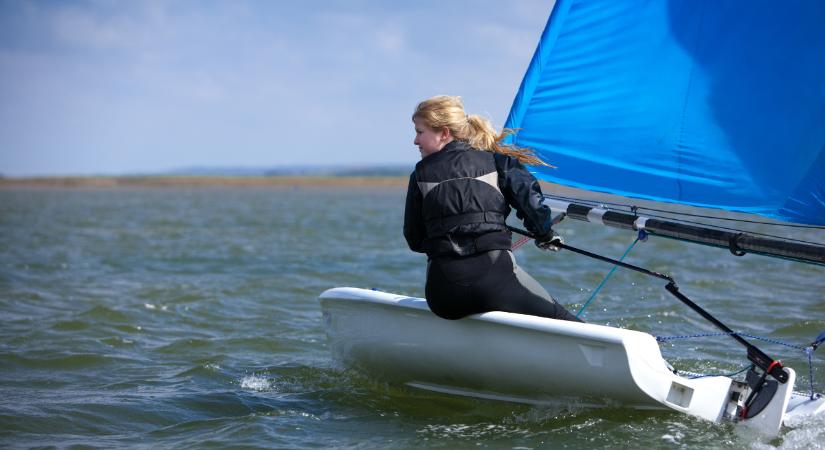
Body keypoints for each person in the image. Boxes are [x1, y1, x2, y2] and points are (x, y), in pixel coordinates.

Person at [404, 95, 582, 322]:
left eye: (420, 132)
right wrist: (545, 234)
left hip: (444, 297)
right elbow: (532, 205)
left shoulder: (420, 174)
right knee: (562, 319)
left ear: (444, 133)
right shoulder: (497, 162)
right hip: (496, 285)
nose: (415, 141)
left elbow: (414, 240)